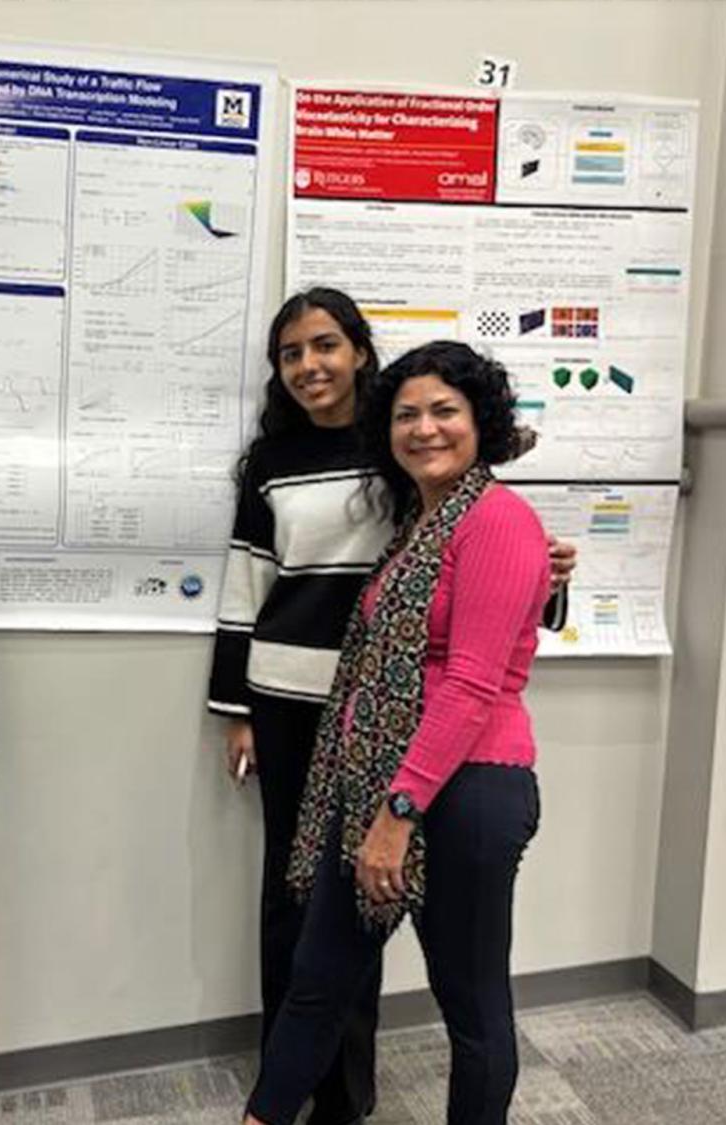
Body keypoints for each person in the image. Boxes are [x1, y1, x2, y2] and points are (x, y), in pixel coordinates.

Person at [210, 291, 572, 1125]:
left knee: (469, 999)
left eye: (444, 412)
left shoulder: (479, 515)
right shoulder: (412, 510)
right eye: (409, 416)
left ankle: (349, 1100)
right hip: (347, 744)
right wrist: (237, 707)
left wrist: (399, 809)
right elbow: (248, 584)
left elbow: (478, 671)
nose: (425, 430)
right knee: (313, 958)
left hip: (453, 776)